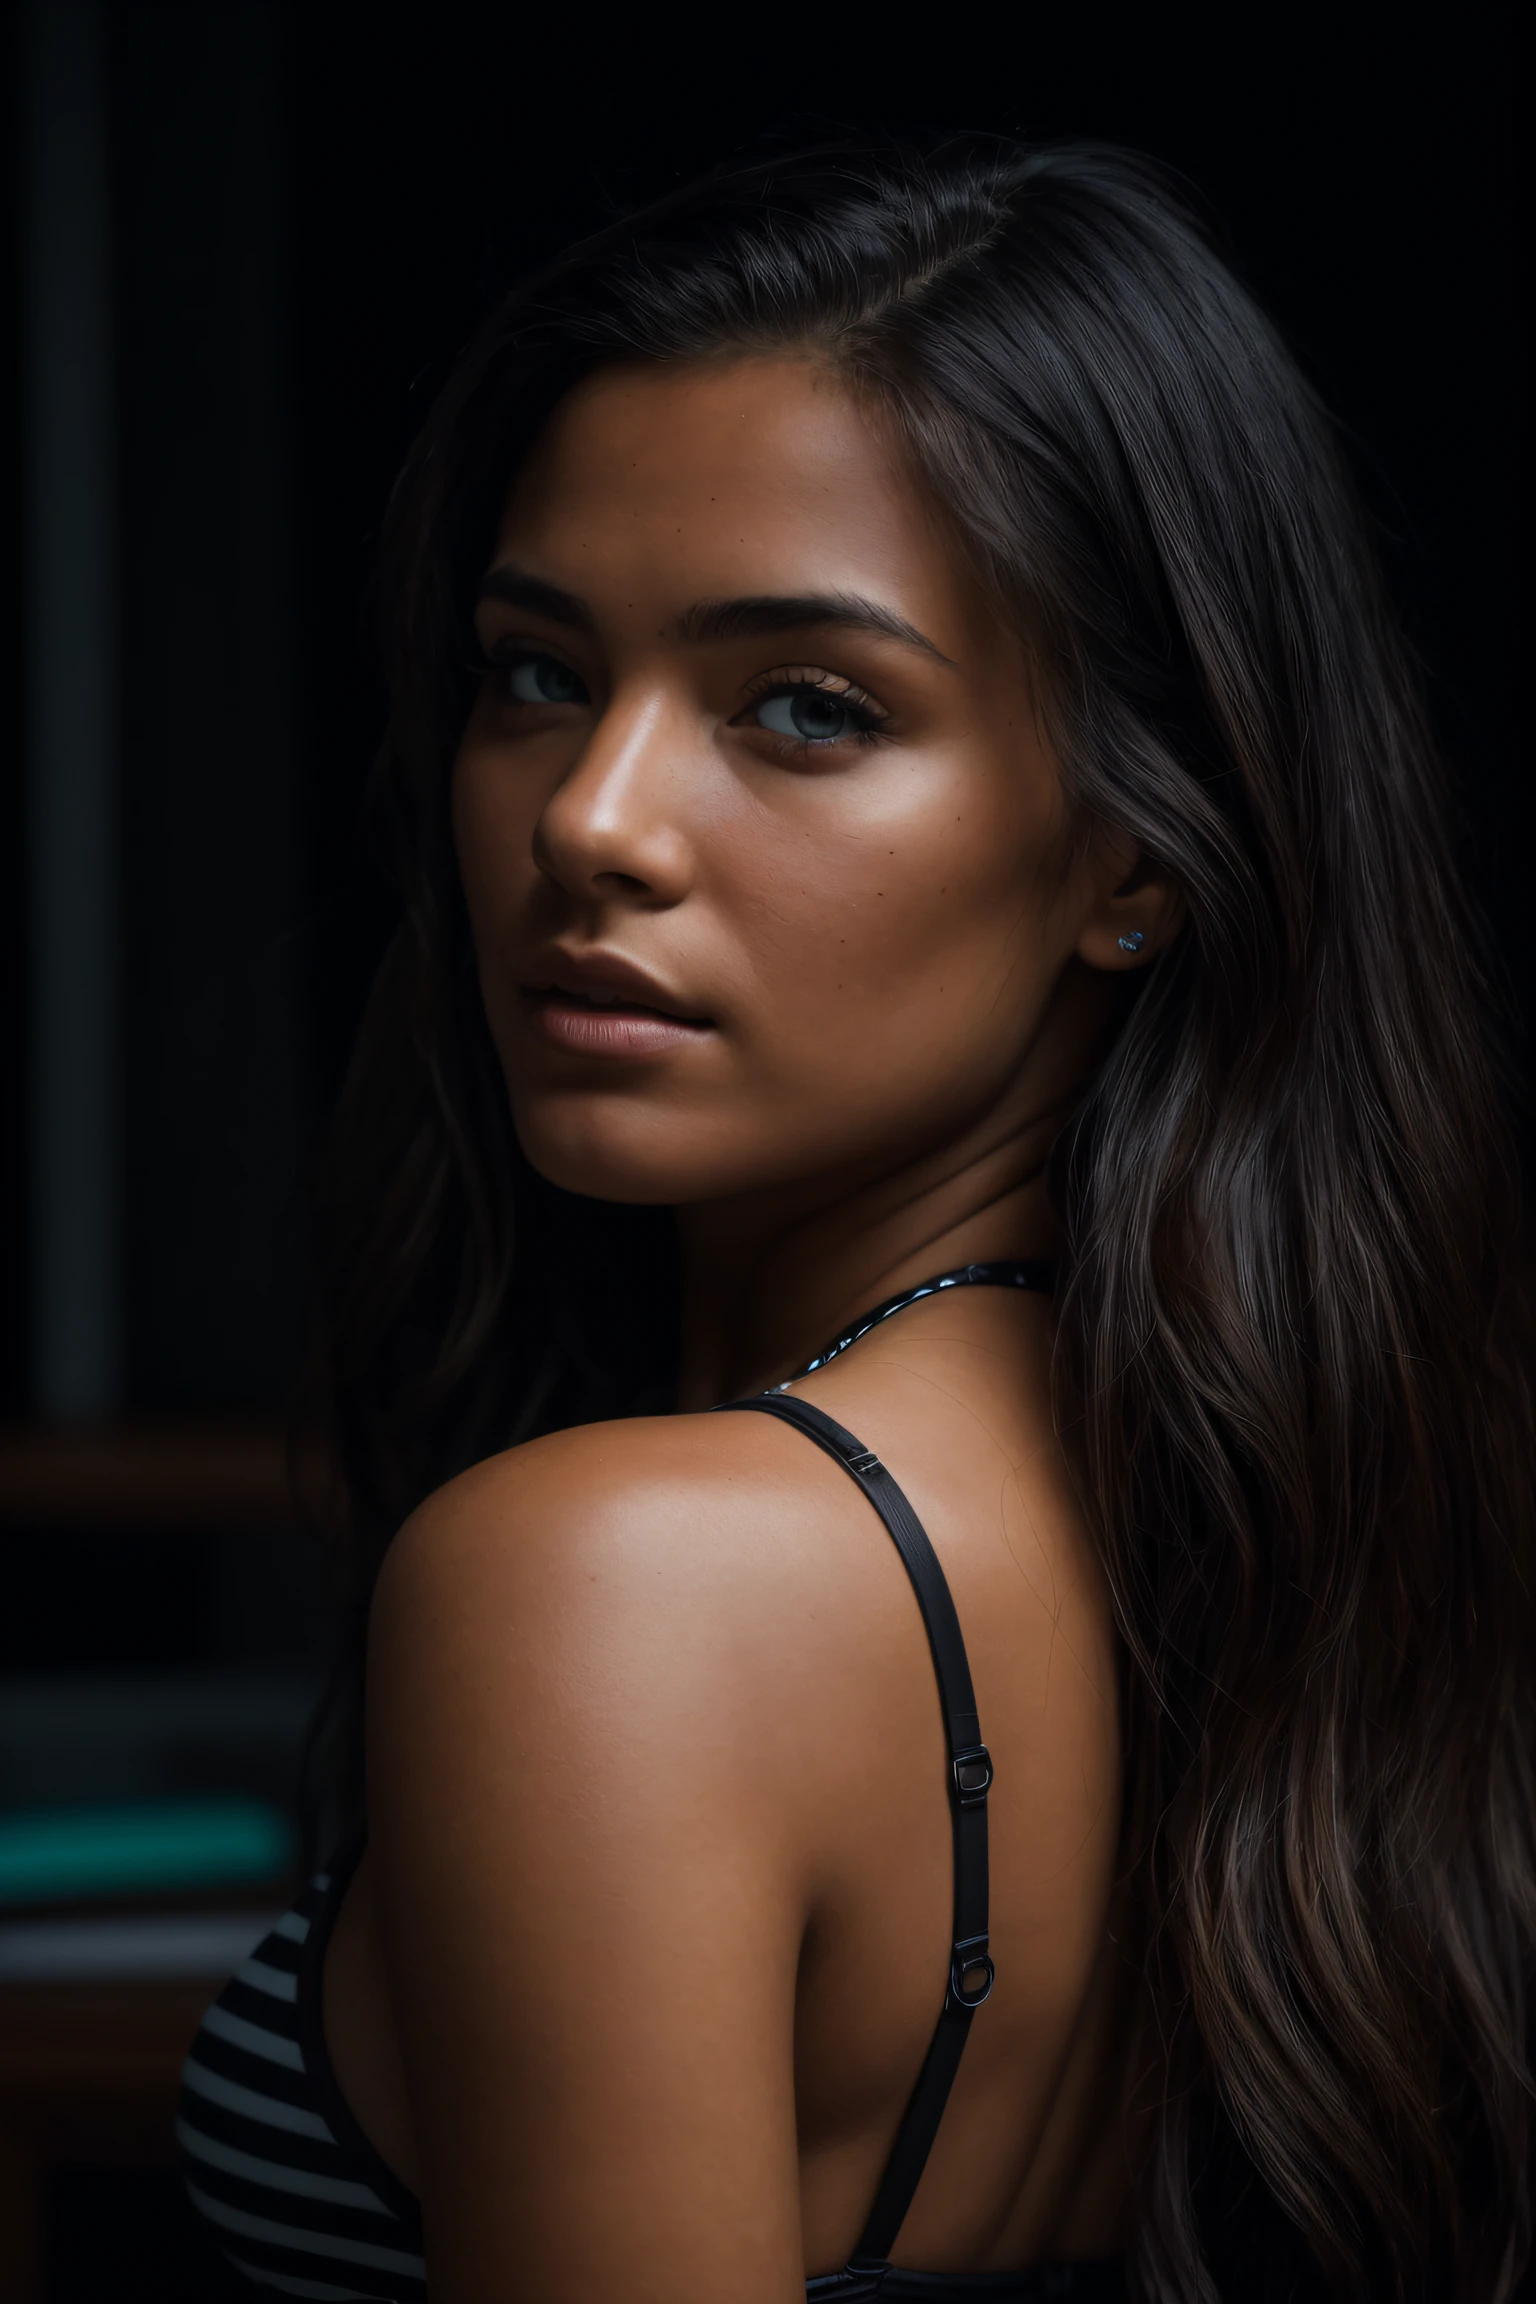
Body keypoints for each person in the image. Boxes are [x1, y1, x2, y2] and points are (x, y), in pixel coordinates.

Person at [179, 138, 1533, 2302]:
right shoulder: (1311, 1531)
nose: (593, 822)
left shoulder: (608, 1589)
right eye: (535, 673)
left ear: (1136, 856)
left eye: (806, 706)